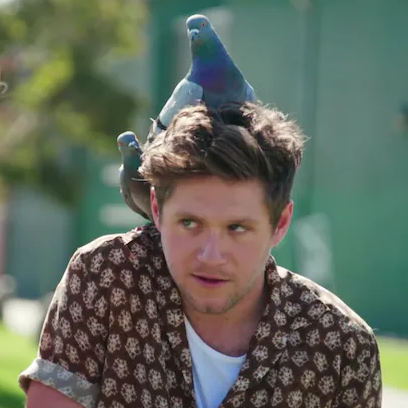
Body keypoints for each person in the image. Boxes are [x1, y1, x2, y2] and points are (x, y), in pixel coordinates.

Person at [19, 101, 382, 408]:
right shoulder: (108, 276)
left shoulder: (340, 346)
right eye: (190, 223)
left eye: (237, 228)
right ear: (156, 211)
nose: (211, 256)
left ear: (280, 224)